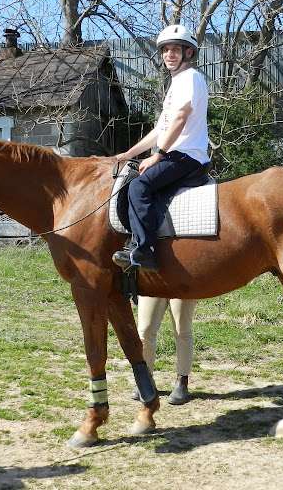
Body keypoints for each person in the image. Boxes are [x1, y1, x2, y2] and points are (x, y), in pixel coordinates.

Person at [113, 24, 210, 405]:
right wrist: (128, 154)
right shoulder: (175, 84)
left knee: (139, 186)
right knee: (131, 178)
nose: (169, 54)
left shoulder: (190, 79)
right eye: (165, 49)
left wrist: (158, 156)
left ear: (188, 53)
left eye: (176, 49)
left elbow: (182, 119)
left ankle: (144, 248)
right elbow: (159, 129)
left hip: (187, 156)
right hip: (173, 150)